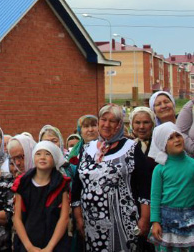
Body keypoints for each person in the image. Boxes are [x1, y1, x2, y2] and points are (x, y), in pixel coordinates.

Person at [72, 104, 151, 252]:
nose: (107, 124)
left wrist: (145, 219)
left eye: (112, 121)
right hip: (92, 225)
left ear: (120, 124)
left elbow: (145, 186)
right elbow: (77, 186)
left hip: (123, 223)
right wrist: (78, 218)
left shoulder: (131, 148)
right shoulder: (87, 149)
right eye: (103, 119)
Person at [12, 141, 70, 252]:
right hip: (27, 242)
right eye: (38, 154)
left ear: (55, 158)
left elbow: (64, 218)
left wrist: (50, 247)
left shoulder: (61, 184)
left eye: (47, 154)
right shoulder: (23, 183)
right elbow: (17, 218)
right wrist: (29, 247)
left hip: (55, 243)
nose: (42, 157)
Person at [148, 122, 194, 251]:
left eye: (177, 135)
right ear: (163, 144)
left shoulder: (192, 164)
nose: (176, 140)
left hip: (190, 219)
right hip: (167, 222)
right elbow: (155, 197)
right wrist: (155, 221)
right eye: (170, 138)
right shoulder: (159, 169)